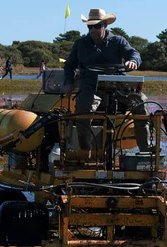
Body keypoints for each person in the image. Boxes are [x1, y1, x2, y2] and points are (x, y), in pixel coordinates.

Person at [63, 8, 151, 151]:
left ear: (105, 25)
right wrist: (68, 82)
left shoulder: (118, 41)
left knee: (140, 101)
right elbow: (69, 66)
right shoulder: (80, 44)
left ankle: (145, 150)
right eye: (90, 27)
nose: (93, 30)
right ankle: (86, 152)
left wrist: (133, 61)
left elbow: (133, 53)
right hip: (91, 88)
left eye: (97, 26)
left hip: (119, 89)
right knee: (83, 108)